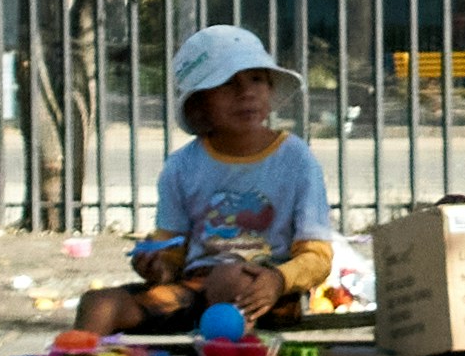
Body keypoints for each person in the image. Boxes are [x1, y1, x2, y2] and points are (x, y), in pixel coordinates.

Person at [75, 25, 337, 337]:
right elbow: (171, 248)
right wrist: (157, 265)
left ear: (269, 89)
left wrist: (279, 280)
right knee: (97, 303)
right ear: (200, 105)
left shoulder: (296, 159)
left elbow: (317, 256)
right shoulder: (183, 165)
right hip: (192, 291)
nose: (245, 93)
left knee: (230, 280)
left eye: (255, 79)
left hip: (266, 293)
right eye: (226, 84)